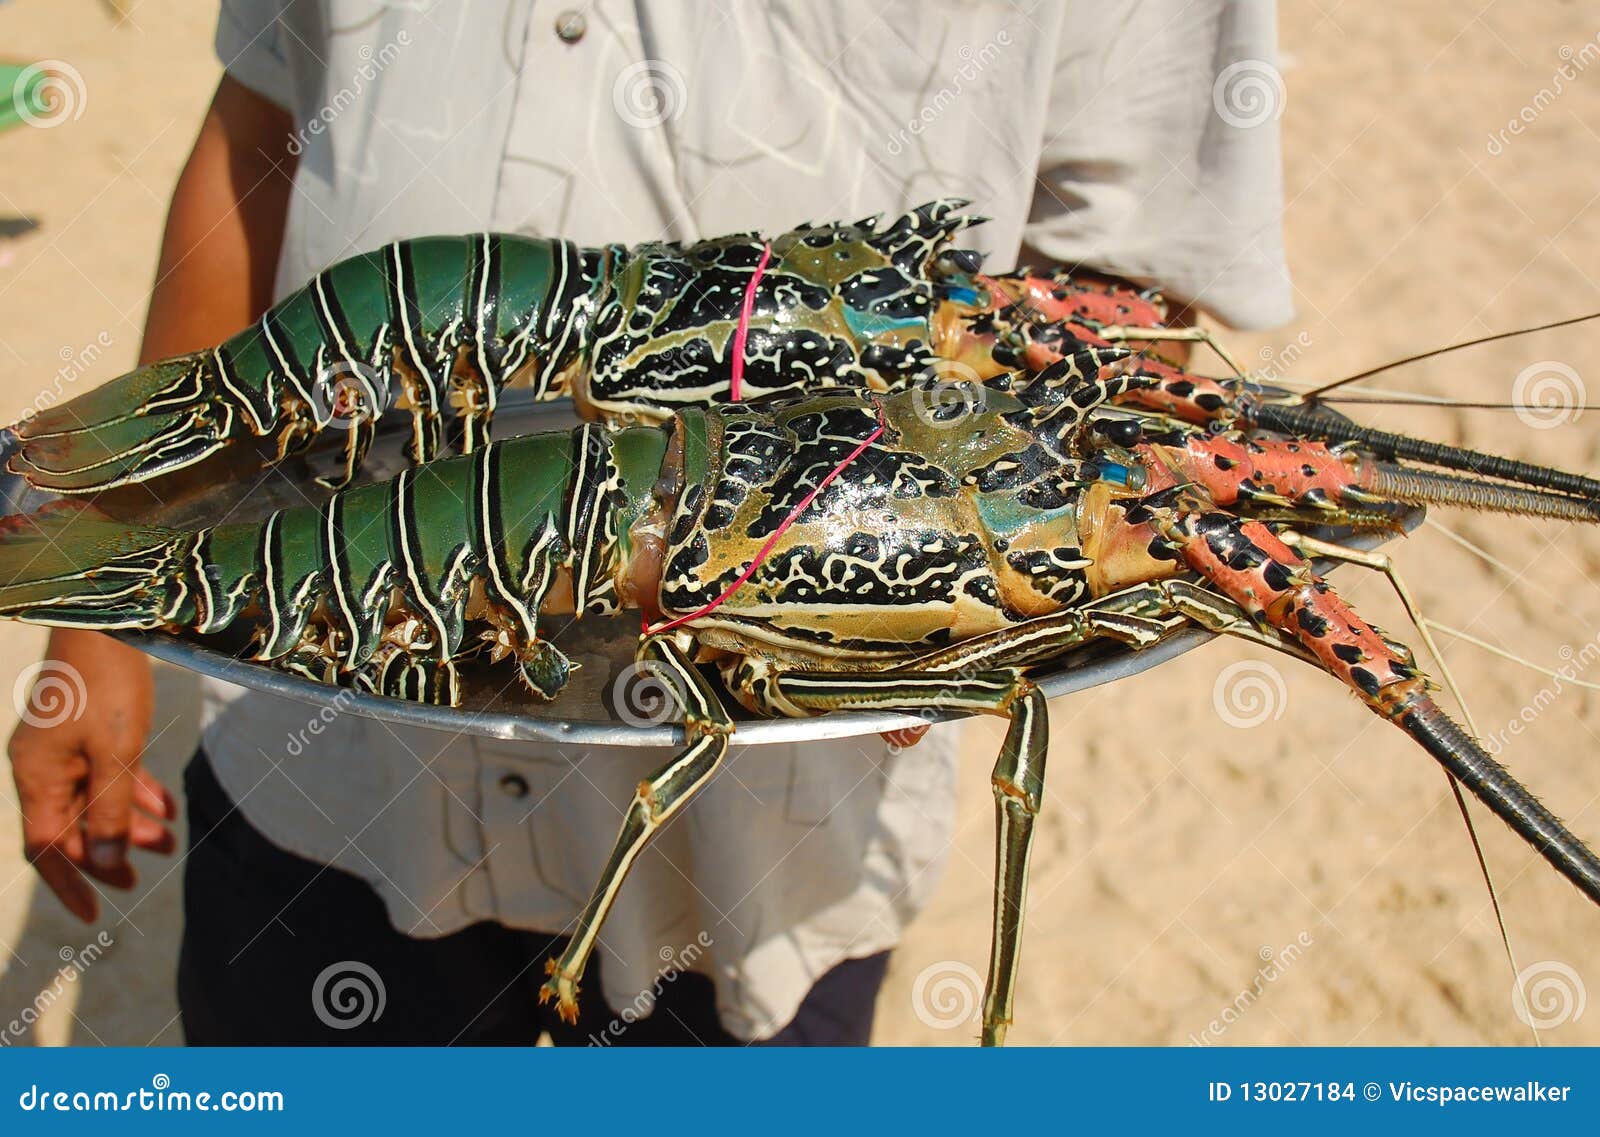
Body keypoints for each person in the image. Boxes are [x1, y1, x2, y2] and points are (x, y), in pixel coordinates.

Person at [7, 0, 1291, 1045]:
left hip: (756, 864)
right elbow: (265, 115)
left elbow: (1130, 280)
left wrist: (940, 572)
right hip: (323, 760)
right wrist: (97, 629)